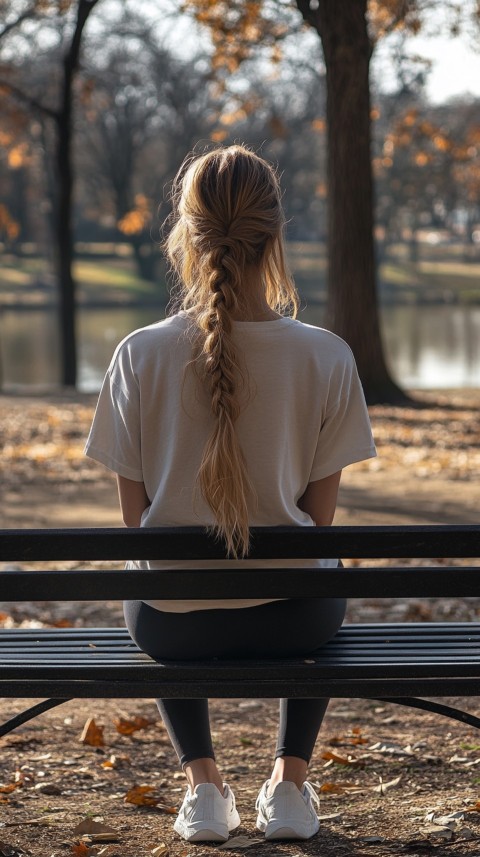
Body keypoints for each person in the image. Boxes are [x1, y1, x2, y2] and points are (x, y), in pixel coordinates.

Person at [85, 144, 376, 844]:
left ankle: (206, 789)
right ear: (275, 236)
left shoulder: (138, 353)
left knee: (150, 572)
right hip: (294, 621)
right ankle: (289, 785)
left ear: (184, 235)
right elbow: (321, 524)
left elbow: (137, 525)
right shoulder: (326, 354)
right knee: (322, 565)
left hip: (171, 623)